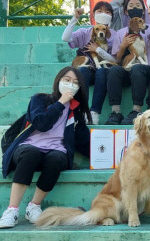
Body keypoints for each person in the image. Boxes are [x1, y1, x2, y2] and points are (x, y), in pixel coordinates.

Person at [0, 67, 91, 228]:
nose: (71, 85)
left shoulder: (76, 111)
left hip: (55, 151)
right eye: (67, 80)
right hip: (27, 148)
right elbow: (41, 124)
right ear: (58, 81)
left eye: (75, 83)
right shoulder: (40, 100)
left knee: (57, 157)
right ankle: (12, 210)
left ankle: (34, 206)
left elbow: (83, 141)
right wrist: (61, 102)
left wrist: (108, 156)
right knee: (31, 153)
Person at [105, 0, 150, 125]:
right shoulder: (121, 33)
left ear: (143, 10)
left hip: (147, 70)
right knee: (114, 70)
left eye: (138, 5)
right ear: (126, 12)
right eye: (131, 6)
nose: (135, 8)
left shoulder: (149, 28)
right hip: (127, 69)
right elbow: (117, 59)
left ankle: (136, 110)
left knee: (138, 68)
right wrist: (123, 46)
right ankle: (116, 112)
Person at [61, 2, 117, 124]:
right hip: (86, 69)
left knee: (102, 72)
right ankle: (81, 111)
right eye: (99, 11)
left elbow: (115, 60)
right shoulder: (84, 32)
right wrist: (75, 18)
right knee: (83, 71)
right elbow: (65, 38)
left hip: (103, 71)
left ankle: (94, 112)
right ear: (93, 14)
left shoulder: (114, 35)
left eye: (107, 12)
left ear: (112, 16)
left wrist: (97, 50)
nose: (103, 14)